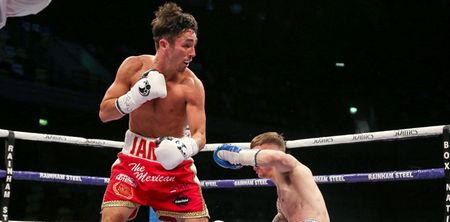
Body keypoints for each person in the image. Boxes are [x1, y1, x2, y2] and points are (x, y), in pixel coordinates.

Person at [98, 2, 209, 221]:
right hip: (133, 162)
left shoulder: (192, 86)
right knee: (112, 217)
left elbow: (200, 135)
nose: (193, 53)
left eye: (194, 45)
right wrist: (134, 97)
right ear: (165, 44)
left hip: (175, 168)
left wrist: (184, 146)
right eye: (187, 45)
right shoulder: (133, 67)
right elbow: (104, 113)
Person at [213, 132, 330, 222]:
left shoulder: (294, 169)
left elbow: (277, 158)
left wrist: (240, 156)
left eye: (256, 154)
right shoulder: (281, 200)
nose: (253, 163)